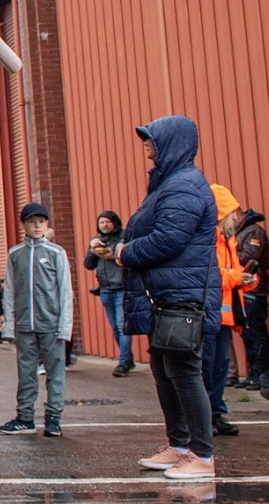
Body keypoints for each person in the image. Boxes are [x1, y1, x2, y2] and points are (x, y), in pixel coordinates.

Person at [116, 116, 219, 481]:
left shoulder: (185, 186)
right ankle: (177, 446)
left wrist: (125, 253)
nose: (146, 144)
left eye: (151, 139)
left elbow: (169, 239)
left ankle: (202, 455)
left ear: (172, 143)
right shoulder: (167, 183)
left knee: (184, 371)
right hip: (166, 294)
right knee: (163, 371)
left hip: (184, 294)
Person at [0, 203, 73, 436]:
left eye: (41, 221)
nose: (37, 226)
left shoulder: (56, 253)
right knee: (26, 371)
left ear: (47, 224)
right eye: (32, 222)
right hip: (24, 324)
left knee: (55, 372)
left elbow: (65, 292)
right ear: (24, 225)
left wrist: (65, 326)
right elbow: (9, 291)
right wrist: (8, 325)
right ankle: (25, 417)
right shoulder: (15, 254)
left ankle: (53, 418)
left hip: (51, 324)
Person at [206, 184, 247, 437]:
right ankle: (208, 415)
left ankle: (215, 413)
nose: (236, 219)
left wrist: (243, 278)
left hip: (224, 316)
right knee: (209, 366)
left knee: (219, 365)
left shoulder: (227, 240)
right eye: (233, 213)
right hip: (211, 314)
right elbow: (212, 275)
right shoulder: (211, 239)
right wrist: (240, 277)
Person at [85, 210, 135, 376]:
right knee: (114, 327)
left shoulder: (123, 237)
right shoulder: (97, 240)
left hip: (121, 287)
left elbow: (127, 256)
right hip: (105, 289)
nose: (104, 225)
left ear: (114, 222)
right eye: (101, 222)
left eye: (107, 222)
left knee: (122, 326)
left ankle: (123, 363)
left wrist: (111, 254)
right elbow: (88, 264)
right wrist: (93, 250)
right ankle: (128, 358)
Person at [236, 206, 269, 387]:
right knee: (247, 333)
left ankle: (261, 372)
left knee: (256, 332)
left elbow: (249, 257)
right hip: (243, 289)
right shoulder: (242, 232)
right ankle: (253, 373)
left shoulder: (253, 232)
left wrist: (226, 256)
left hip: (254, 289)